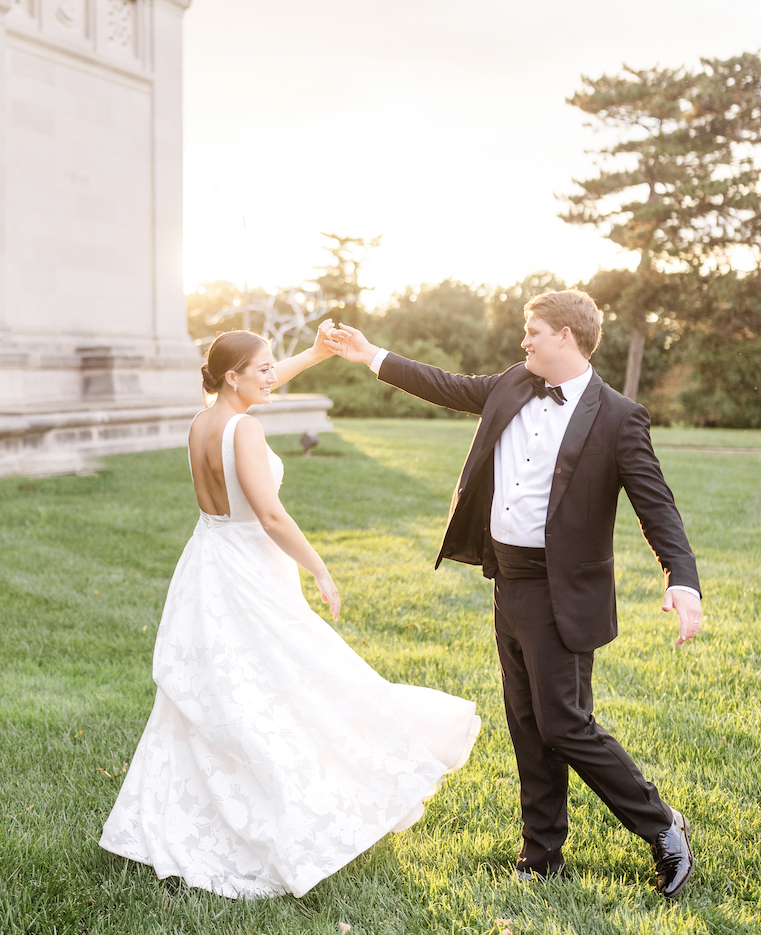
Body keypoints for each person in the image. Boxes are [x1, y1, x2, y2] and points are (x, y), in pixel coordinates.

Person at [326, 289, 701, 898]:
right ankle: (542, 852)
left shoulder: (618, 416)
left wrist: (680, 580)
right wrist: (372, 354)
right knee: (528, 724)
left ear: (567, 338)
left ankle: (662, 827)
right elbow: (442, 384)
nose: (523, 341)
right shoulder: (509, 384)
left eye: (533, 331)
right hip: (508, 582)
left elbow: (657, 508)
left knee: (566, 725)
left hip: (564, 593)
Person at [99, 324, 481, 899]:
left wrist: (317, 354)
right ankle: (299, 808)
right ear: (234, 377)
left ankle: (184, 820)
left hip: (210, 562)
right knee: (294, 680)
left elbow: (260, 382)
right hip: (251, 569)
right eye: (263, 369)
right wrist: (319, 568)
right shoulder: (244, 429)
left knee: (225, 690)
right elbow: (272, 517)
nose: (273, 376)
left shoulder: (203, 422)